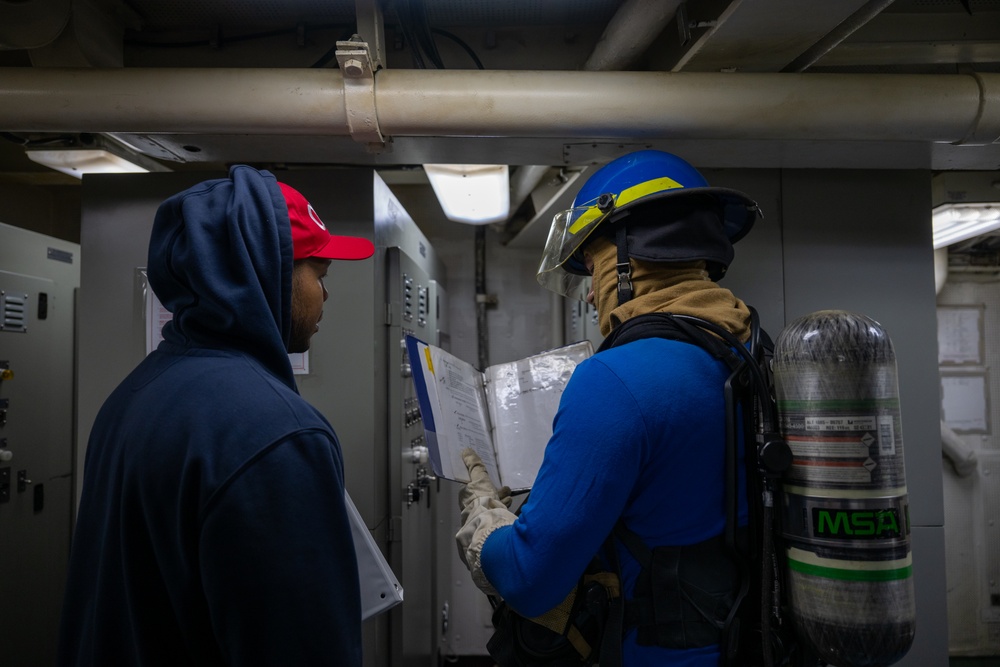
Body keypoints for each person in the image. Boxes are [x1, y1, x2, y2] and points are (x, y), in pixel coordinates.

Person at [57, 166, 375, 667]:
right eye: (320, 274)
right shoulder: (281, 432)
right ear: (265, 274)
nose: (326, 294)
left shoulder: (134, 394)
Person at [456, 150, 763, 666]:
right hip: (742, 643)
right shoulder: (747, 350)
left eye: (594, 267)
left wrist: (485, 525)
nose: (592, 297)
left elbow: (531, 581)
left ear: (627, 257)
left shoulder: (615, 379)